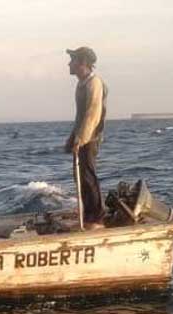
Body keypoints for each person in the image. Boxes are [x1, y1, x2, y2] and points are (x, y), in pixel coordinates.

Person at [65, 46, 108, 229]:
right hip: (81, 136)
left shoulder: (94, 83)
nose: (69, 64)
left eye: (72, 60)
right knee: (79, 176)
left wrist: (81, 138)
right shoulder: (81, 83)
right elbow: (79, 115)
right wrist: (72, 137)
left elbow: (92, 113)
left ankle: (96, 217)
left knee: (88, 175)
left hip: (90, 137)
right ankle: (88, 213)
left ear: (82, 63)